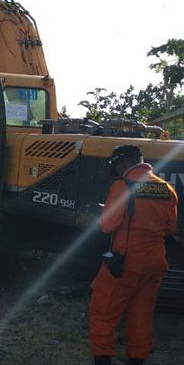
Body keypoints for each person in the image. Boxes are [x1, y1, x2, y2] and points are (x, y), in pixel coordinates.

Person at [89, 145, 178, 365]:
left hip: (125, 263)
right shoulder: (167, 188)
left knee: (103, 314)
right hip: (155, 263)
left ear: (123, 163)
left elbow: (107, 225)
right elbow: (170, 228)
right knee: (141, 316)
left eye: (117, 167)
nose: (117, 172)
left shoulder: (123, 186)